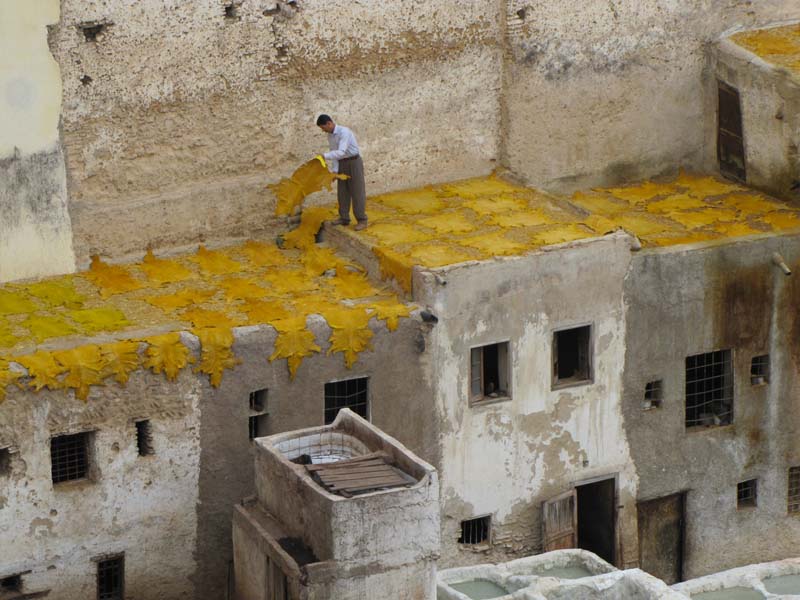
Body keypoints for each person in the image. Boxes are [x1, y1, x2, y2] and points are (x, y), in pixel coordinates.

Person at [316, 114, 367, 231]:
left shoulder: (344, 132)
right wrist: (334, 171)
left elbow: (341, 152)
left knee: (357, 192)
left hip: (353, 163)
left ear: (329, 123)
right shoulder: (330, 136)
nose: (323, 131)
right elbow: (335, 154)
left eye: (323, 128)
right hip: (342, 164)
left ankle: (362, 220)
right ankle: (344, 218)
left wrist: (323, 156)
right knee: (342, 192)